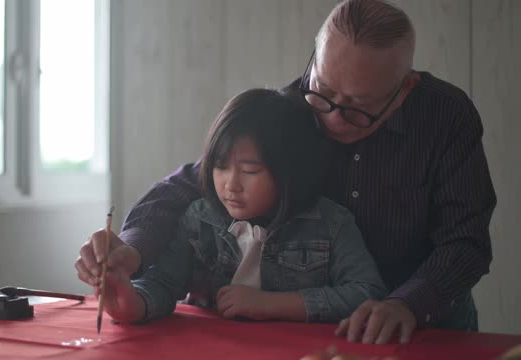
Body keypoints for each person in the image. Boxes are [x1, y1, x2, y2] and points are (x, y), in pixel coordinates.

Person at [77, 0, 496, 344]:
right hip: (312, 336)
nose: (333, 116)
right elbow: (191, 183)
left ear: (403, 90)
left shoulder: (445, 117)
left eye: (358, 108)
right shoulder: (289, 108)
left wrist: (406, 302)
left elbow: (465, 241)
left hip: (425, 325)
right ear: (314, 59)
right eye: (324, 92)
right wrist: (131, 248)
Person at [93, 88, 386, 324]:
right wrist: (132, 303)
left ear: (290, 174)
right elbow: (165, 281)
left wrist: (274, 305)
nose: (230, 185)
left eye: (250, 171)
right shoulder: (200, 219)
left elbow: (367, 294)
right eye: (220, 167)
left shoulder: (331, 224)